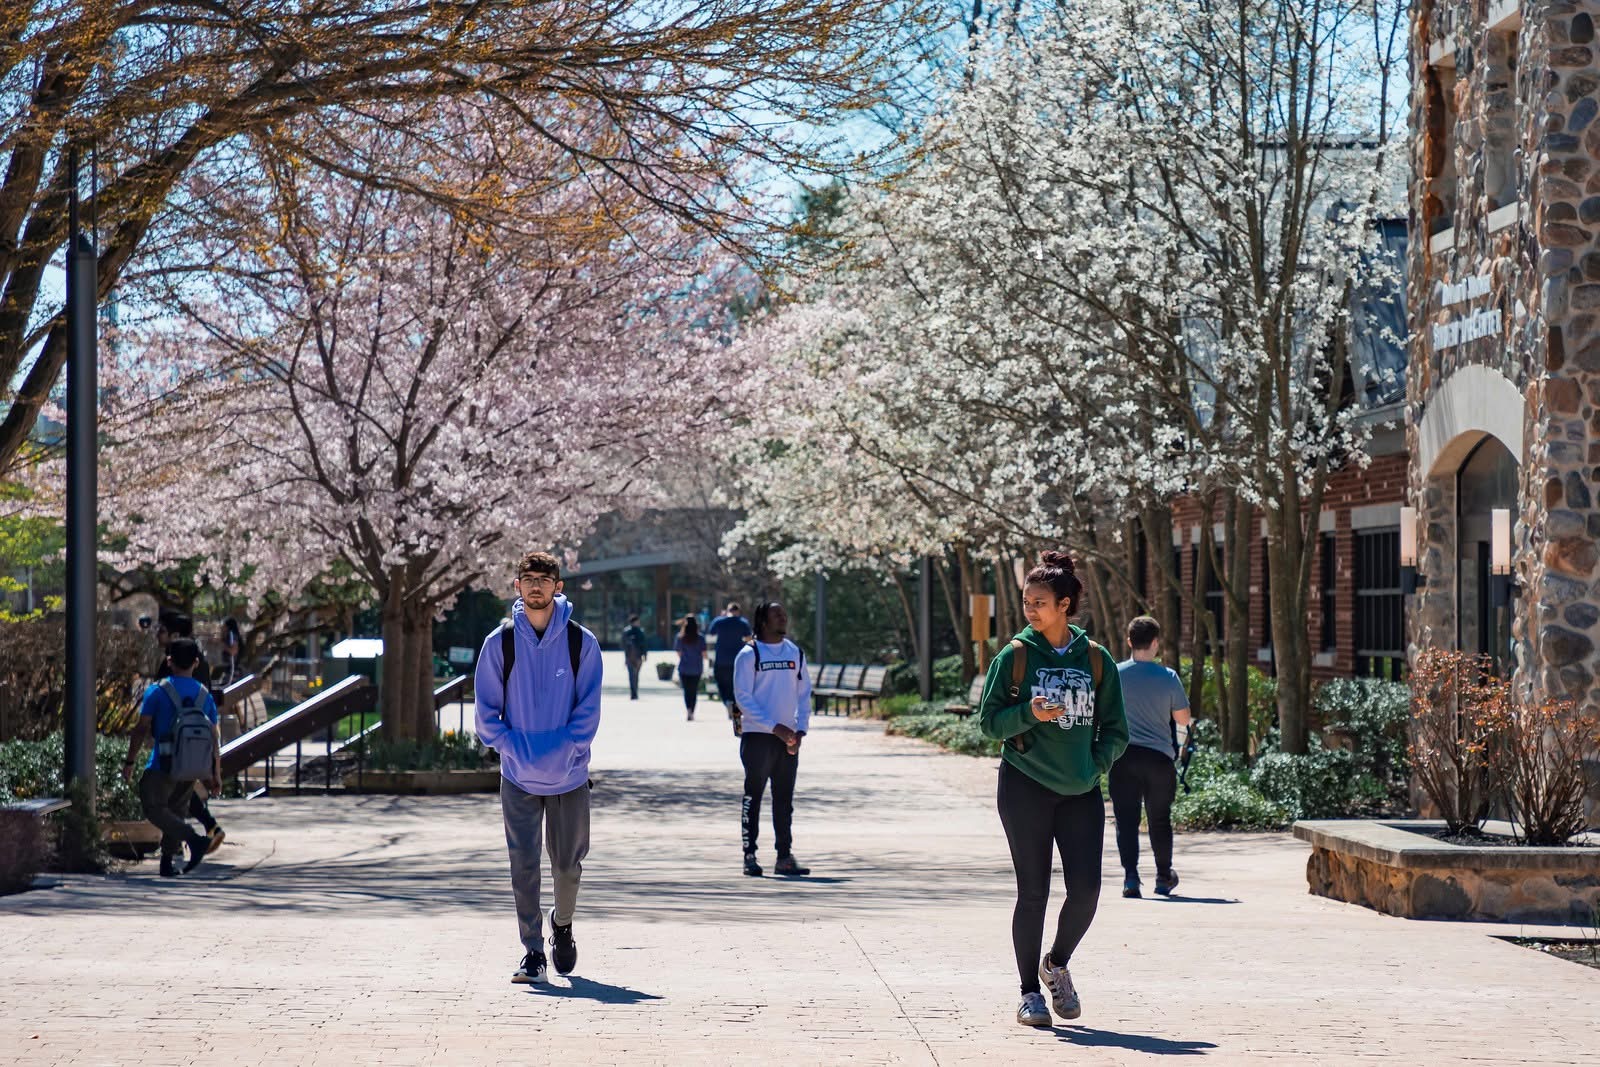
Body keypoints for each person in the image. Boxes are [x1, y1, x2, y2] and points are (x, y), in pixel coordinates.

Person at [977, 550, 1128, 1028]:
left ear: (1064, 604)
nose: (1030, 610)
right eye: (1026, 602)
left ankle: (1056, 964)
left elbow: (1116, 730)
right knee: (1034, 893)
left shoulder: (1096, 659)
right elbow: (988, 723)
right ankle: (1028, 994)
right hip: (1025, 786)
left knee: (1086, 891)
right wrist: (1029, 714)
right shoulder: (1015, 656)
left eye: (1039, 602)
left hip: (1080, 790)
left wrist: (1094, 765)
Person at [475, 550, 602, 985]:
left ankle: (561, 923)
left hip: (569, 775)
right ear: (517, 586)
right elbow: (486, 716)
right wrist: (513, 749)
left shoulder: (581, 643)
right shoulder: (500, 643)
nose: (535, 586)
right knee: (523, 866)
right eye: (527, 578)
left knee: (568, 867)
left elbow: (588, 714)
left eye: (544, 579)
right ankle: (532, 951)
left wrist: (563, 751)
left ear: (558, 586)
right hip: (518, 775)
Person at [122, 639, 221, 878]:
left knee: (153, 806)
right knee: (175, 811)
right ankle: (167, 864)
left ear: (169, 661)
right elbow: (214, 738)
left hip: (162, 763)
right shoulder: (204, 695)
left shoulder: (157, 691)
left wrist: (130, 761)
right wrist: (215, 774)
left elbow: (141, 728)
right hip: (190, 767)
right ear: (196, 663)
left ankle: (193, 840)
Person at [1110, 616, 1191, 899]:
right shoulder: (1168, 677)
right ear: (1155, 642)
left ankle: (1130, 878)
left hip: (1123, 757)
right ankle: (1162, 876)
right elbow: (1183, 718)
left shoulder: (1116, 674)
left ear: (1130, 641)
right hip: (1159, 760)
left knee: (1126, 820)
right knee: (1160, 820)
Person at [732, 600, 813, 878]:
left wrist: (800, 730)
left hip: (788, 739)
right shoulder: (748, 654)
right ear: (763, 621)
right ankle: (749, 855)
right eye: (777, 614)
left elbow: (804, 695)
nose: (783, 618)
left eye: (784, 614)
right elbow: (743, 697)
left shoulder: (795, 653)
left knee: (784, 800)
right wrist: (773, 726)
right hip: (758, 738)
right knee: (753, 797)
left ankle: (784, 856)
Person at [152, 611, 225, 855]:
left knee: (171, 790)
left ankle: (184, 841)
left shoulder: (171, 666)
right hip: (197, 738)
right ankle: (199, 832)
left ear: (174, 635)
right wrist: (215, 768)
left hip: (173, 739)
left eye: (161, 630)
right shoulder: (200, 662)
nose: (157, 634)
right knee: (182, 787)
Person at [708, 602, 752, 729]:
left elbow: (711, 633)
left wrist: (722, 617)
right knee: (737, 688)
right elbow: (749, 638)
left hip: (721, 659)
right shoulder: (743, 622)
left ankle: (727, 701)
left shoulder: (719, 621)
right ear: (738, 611)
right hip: (738, 661)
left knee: (722, 684)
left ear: (727, 610)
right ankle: (736, 717)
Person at [673, 615, 707, 721]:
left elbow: (679, 653)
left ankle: (688, 709)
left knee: (687, 691)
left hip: (684, 667)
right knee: (694, 691)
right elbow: (704, 654)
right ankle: (692, 710)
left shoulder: (680, 637)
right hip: (696, 668)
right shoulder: (700, 638)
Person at [620, 615, 648, 700]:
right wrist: (644, 654)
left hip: (632, 656)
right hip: (635, 656)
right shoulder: (639, 631)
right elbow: (644, 645)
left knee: (633, 675)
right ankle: (634, 692)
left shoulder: (629, 631)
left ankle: (634, 692)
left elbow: (623, 645)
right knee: (634, 675)